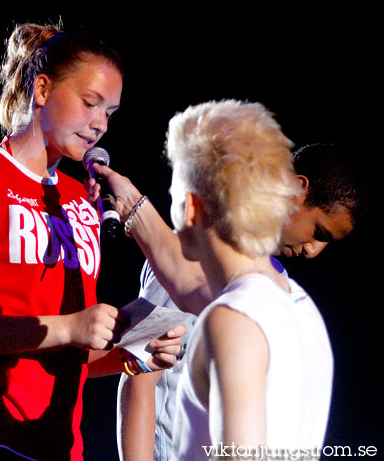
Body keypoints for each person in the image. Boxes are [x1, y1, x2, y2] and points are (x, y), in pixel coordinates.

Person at [0, 23, 184, 461]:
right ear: (42, 88)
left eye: (110, 113)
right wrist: (70, 326)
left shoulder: (81, 199)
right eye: (90, 103)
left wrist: (132, 355)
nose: (99, 125)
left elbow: (67, 354)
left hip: (56, 445)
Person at [87, 141, 365, 460]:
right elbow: (139, 375)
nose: (314, 250)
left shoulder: (278, 278)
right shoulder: (201, 252)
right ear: (297, 190)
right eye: (319, 231)